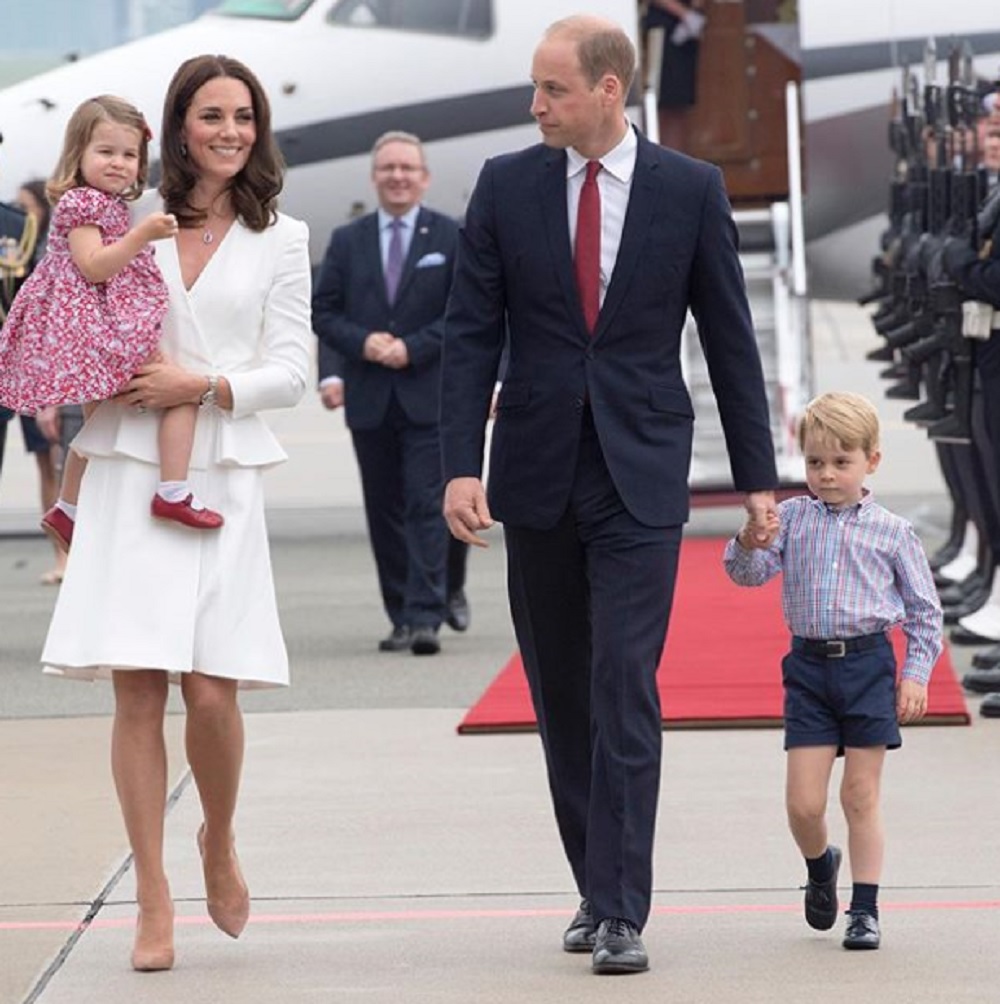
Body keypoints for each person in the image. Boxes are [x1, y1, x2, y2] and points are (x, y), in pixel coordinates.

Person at [440, 15, 777, 975]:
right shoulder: (507, 187)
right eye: (535, 89)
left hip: (640, 473)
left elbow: (729, 339)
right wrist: (459, 465)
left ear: (609, 91)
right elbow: (470, 335)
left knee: (622, 681)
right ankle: (595, 882)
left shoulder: (690, 190)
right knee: (561, 694)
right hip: (537, 474)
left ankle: (624, 907)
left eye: (552, 90)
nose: (535, 105)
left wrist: (757, 479)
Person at [39, 54, 312, 972]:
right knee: (138, 688)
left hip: (219, 473)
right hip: (126, 463)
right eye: (211, 117)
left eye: (244, 116)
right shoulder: (122, 218)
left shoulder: (284, 237)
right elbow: (73, 312)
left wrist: (206, 382)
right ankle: (151, 895)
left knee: (212, 693)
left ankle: (218, 839)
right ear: (179, 126)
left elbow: (294, 369)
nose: (230, 131)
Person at [723, 392, 943, 950]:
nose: (825, 475)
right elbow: (747, 575)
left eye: (841, 462)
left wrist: (915, 673)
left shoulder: (892, 531)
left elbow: (923, 611)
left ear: (872, 460)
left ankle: (865, 909)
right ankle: (821, 866)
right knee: (803, 803)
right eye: (815, 462)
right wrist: (750, 540)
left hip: (868, 665)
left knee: (860, 795)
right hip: (809, 669)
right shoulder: (792, 519)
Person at [0, 96, 226, 549]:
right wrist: (142, 235)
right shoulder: (82, 203)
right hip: (95, 332)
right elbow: (93, 266)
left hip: (101, 325)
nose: (119, 164)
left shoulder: (103, 204)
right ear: (78, 155)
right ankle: (172, 490)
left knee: (100, 425)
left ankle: (68, 508)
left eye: (129, 155)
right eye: (106, 152)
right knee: (181, 390)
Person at [313, 131, 460, 656]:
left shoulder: (449, 236)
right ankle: (399, 613)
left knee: (426, 505)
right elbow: (324, 312)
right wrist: (365, 343)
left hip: (428, 395)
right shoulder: (347, 240)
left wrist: (414, 347)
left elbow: (464, 316)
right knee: (384, 511)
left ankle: (426, 615)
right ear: (375, 176)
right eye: (388, 168)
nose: (398, 176)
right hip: (370, 398)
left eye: (407, 168)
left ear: (424, 178)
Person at [644, 0, 707, 153]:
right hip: (664, 29)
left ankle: (677, 164)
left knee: (680, 108)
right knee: (662, 107)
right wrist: (683, 13)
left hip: (687, 34)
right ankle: (660, 162)